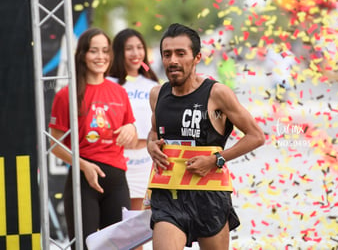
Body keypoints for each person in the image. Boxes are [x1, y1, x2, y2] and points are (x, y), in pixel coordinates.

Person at [147, 23, 265, 250]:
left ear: (197, 57)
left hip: (209, 195)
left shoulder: (216, 93)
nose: (173, 61)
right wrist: (151, 145)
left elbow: (256, 136)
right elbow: (154, 132)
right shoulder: (157, 94)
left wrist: (216, 159)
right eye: (167, 54)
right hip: (168, 194)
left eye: (181, 54)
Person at [49, 27, 137, 249]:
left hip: (117, 181)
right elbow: (55, 145)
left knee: (119, 246)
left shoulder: (119, 92)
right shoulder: (66, 95)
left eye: (105, 51)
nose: (101, 57)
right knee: (83, 246)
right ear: (83, 55)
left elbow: (132, 135)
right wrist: (84, 166)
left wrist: (131, 129)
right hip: (82, 181)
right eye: (94, 51)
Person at [107, 28, 159, 213]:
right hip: (118, 160)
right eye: (129, 48)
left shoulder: (153, 85)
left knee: (137, 226)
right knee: (115, 223)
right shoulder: (108, 83)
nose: (136, 53)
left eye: (139, 47)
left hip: (146, 161)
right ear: (119, 52)